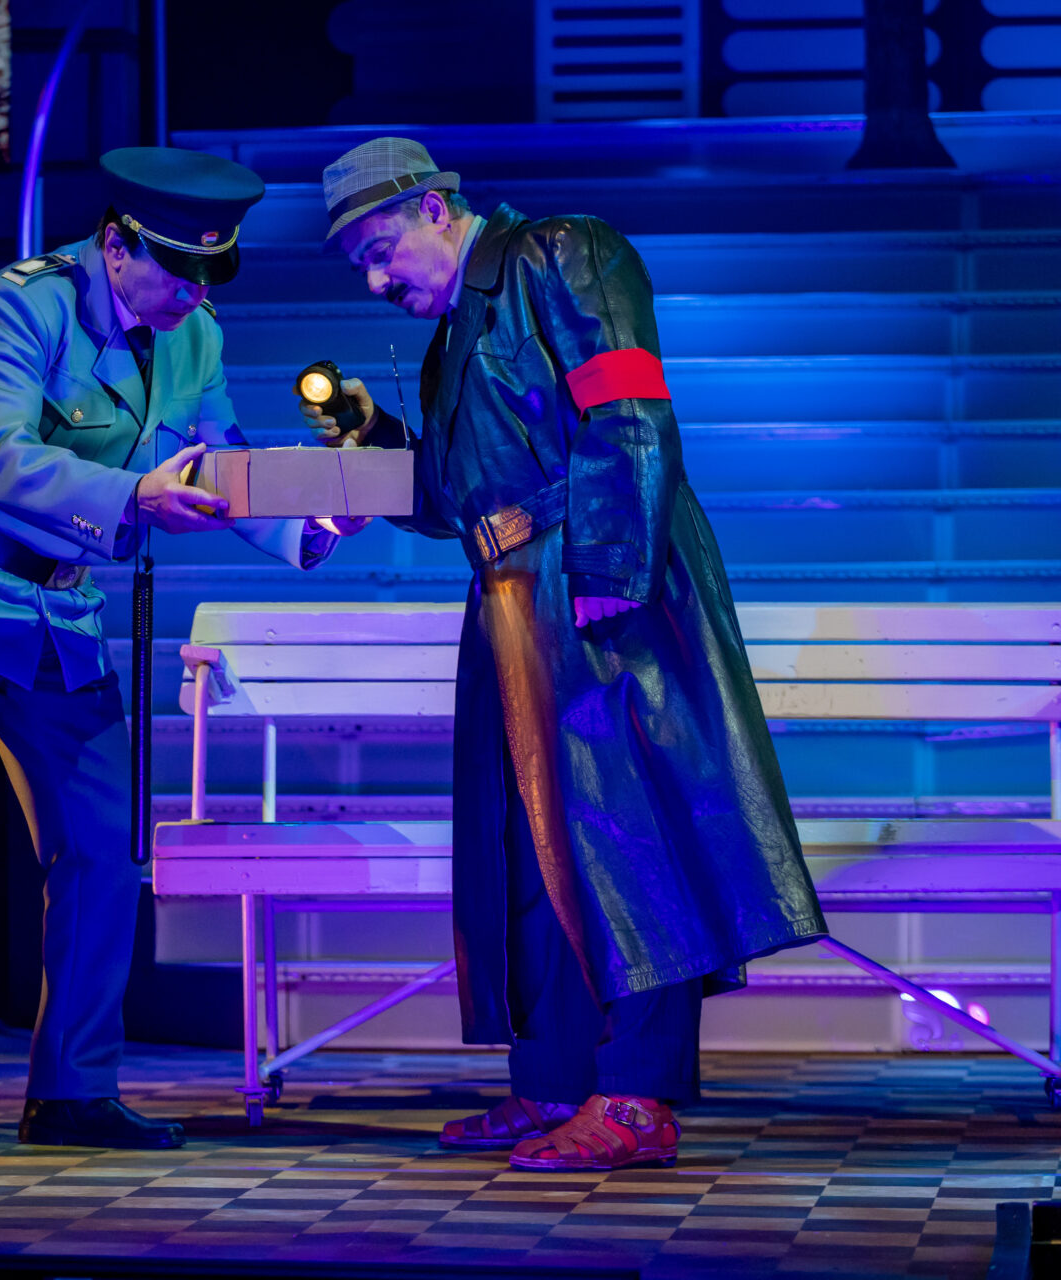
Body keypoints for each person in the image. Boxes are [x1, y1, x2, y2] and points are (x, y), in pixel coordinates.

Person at [302, 137, 826, 1171]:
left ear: (434, 209)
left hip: (588, 576)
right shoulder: (458, 330)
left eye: (379, 251)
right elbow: (453, 497)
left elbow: (628, 407)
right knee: (528, 845)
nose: (374, 280)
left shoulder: (561, 252)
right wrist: (374, 452)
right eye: (359, 265)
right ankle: (554, 1079)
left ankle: (635, 1094)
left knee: (626, 832)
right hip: (508, 596)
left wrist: (611, 573)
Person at [0, 146, 367, 1165]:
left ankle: (74, 1089)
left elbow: (216, 459)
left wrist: (308, 524)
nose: (194, 293)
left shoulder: (193, 330)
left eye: (211, 273)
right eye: (179, 270)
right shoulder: (18, 308)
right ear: (117, 244)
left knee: (102, 847)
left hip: (61, 612)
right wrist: (133, 494)